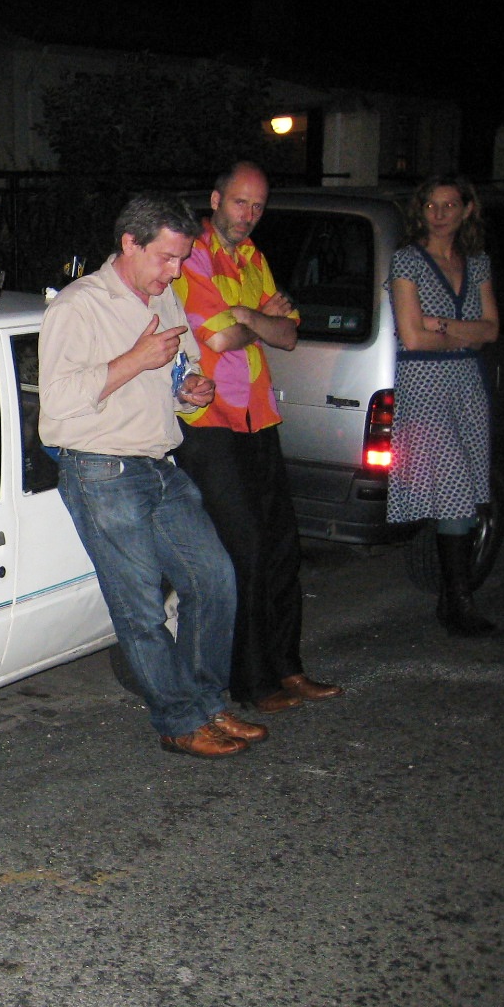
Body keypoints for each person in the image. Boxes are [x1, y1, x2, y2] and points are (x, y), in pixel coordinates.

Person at [39, 195, 266, 759]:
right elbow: (58, 402)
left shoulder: (165, 299)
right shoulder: (78, 306)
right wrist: (136, 359)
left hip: (161, 464)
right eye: (166, 257)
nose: (176, 271)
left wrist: (191, 392)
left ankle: (206, 704)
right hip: (101, 469)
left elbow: (180, 377)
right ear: (130, 244)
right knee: (139, 608)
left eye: (182, 258)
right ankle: (178, 720)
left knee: (214, 581)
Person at [171, 162, 343, 713]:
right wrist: (255, 320)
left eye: (258, 206)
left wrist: (246, 314)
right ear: (215, 199)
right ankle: (251, 682)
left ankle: (287, 667)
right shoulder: (191, 255)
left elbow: (288, 334)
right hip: (211, 424)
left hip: (259, 417)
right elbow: (220, 339)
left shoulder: (252, 257)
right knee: (243, 553)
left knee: (281, 550)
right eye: (240, 202)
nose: (248, 215)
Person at [387, 175, 500, 636]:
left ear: (467, 209)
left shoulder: (477, 262)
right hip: (425, 384)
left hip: (466, 384)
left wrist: (442, 325)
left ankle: (452, 600)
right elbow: (413, 337)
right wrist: (461, 333)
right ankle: (459, 601)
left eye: (449, 205)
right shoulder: (406, 260)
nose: (439, 214)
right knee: (453, 488)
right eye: (431, 205)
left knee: (467, 492)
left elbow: (491, 330)